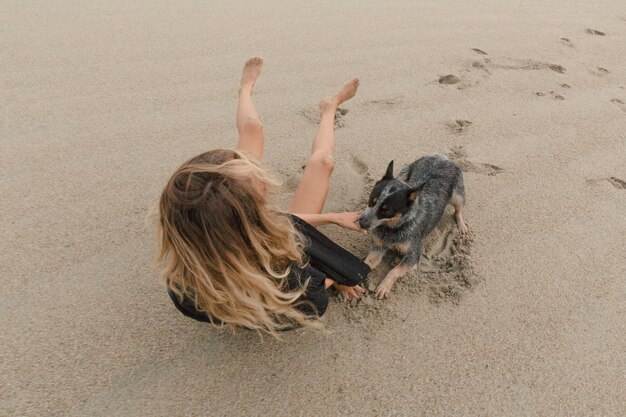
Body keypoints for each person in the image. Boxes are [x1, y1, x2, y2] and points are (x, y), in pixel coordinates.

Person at [156, 57, 368, 336]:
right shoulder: (284, 276)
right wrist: (335, 279)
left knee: (253, 130)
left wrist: (332, 217)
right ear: (252, 220)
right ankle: (329, 109)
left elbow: (275, 220)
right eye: (256, 185)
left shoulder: (192, 222)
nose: (263, 182)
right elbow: (308, 292)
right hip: (267, 278)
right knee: (322, 164)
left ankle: (245, 88)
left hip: (225, 218)